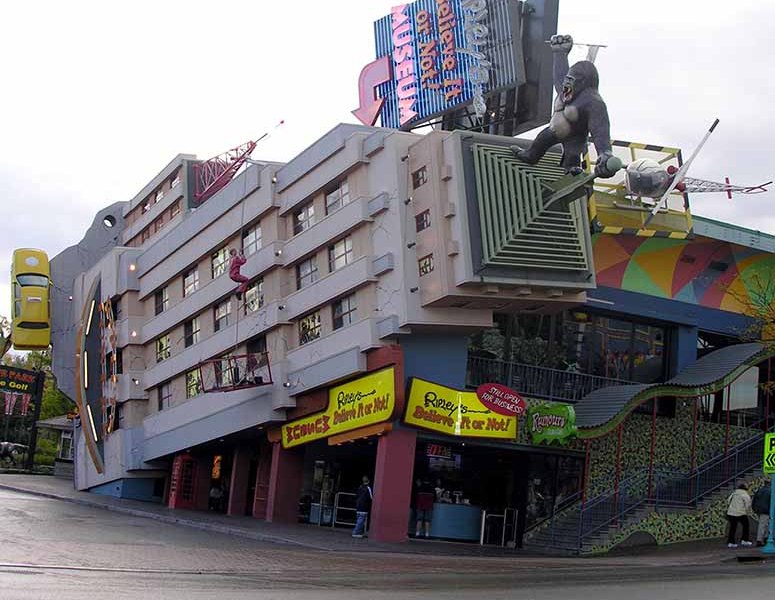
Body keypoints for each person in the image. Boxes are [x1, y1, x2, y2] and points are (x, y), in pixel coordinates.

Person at [726, 482, 753, 548]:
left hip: (731, 512)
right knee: (746, 526)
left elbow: (728, 501)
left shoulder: (734, 493)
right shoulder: (745, 494)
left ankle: (730, 542)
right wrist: (747, 511)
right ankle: (744, 540)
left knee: (733, 527)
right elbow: (748, 504)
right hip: (741, 513)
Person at [752, 480, 771, 547]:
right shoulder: (770, 491)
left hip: (758, 510)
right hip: (766, 510)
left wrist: (754, 508)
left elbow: (754, 500)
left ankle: (765, 538)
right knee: (763, 524)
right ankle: (759, 540)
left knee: (765, 524)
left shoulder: (759, 490)